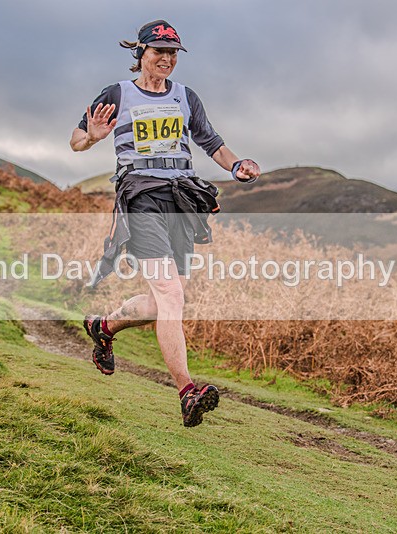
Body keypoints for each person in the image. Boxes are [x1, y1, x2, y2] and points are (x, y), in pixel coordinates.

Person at [70, 20, 260, 427]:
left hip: (181, 201)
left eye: (173, 53)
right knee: (171, 293)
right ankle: (187, 391)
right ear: (140, 53)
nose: (167, 60)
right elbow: (75, 139)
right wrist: (94, 137)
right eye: (159, 52)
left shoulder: (185, 97)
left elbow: (211, 142)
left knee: (164, 302)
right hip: (140, 198)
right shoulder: (117, 94)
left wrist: (238, 164)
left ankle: (104, 326)